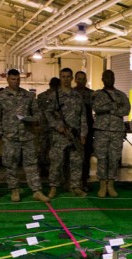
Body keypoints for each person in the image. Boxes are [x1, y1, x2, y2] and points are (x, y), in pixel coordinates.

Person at [0, 69, 50, 203]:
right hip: (10, 136)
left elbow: (37, 114)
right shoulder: (0, 97)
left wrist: (33, 120)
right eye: (13, 79)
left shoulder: (28, 96)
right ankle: (14, 190)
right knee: (11, 164)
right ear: (7, 79)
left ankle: (36, 190)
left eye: (18, 79)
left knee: (31, 164)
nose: (16, 81)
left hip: (27, 135)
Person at [45, 68, 88, 198]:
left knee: (76, 162)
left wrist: (83, 133)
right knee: (56, 162)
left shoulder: (77, 95)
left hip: (74, 135)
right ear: (60, 78)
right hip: (60, 135)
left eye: (68, 77)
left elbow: (83, 115)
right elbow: (48, 113)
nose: (66, 79)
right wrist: (57, 126)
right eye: (63, 76)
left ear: (72, 78)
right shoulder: (54, 96)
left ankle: (75, 186)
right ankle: (53, 187)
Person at [92, 69, 130, 198]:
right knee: (102, 158)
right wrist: (114, 106)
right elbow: (96, 107)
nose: (109, 79)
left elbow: (126, 110)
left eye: (111, 76)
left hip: (116, 131)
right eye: (106, 77)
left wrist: (109, 108)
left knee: (114, 158)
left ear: (114, 78)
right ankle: (102, 185)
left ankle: (111, 185)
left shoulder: (121, 95)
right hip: (101, 131)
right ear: (102, 79)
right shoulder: (98, 94)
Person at [74, 71, 95, 191]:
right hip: (74, 128)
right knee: (74, 156)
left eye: (83, 79)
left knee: (86, 156)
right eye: (79, 79)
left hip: (88, 128)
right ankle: (72, 181)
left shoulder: (91, 94)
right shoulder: (71, 93)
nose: (81, 81)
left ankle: (84, 180)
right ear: (75, 80)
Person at [36, 77, 59, 177]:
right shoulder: (58, 96)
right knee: (55, 149)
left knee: (43, 148)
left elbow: (37, 111)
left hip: (44, 126)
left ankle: (43, 169)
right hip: (56, 127)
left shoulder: (41, 96)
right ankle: (54, 170)